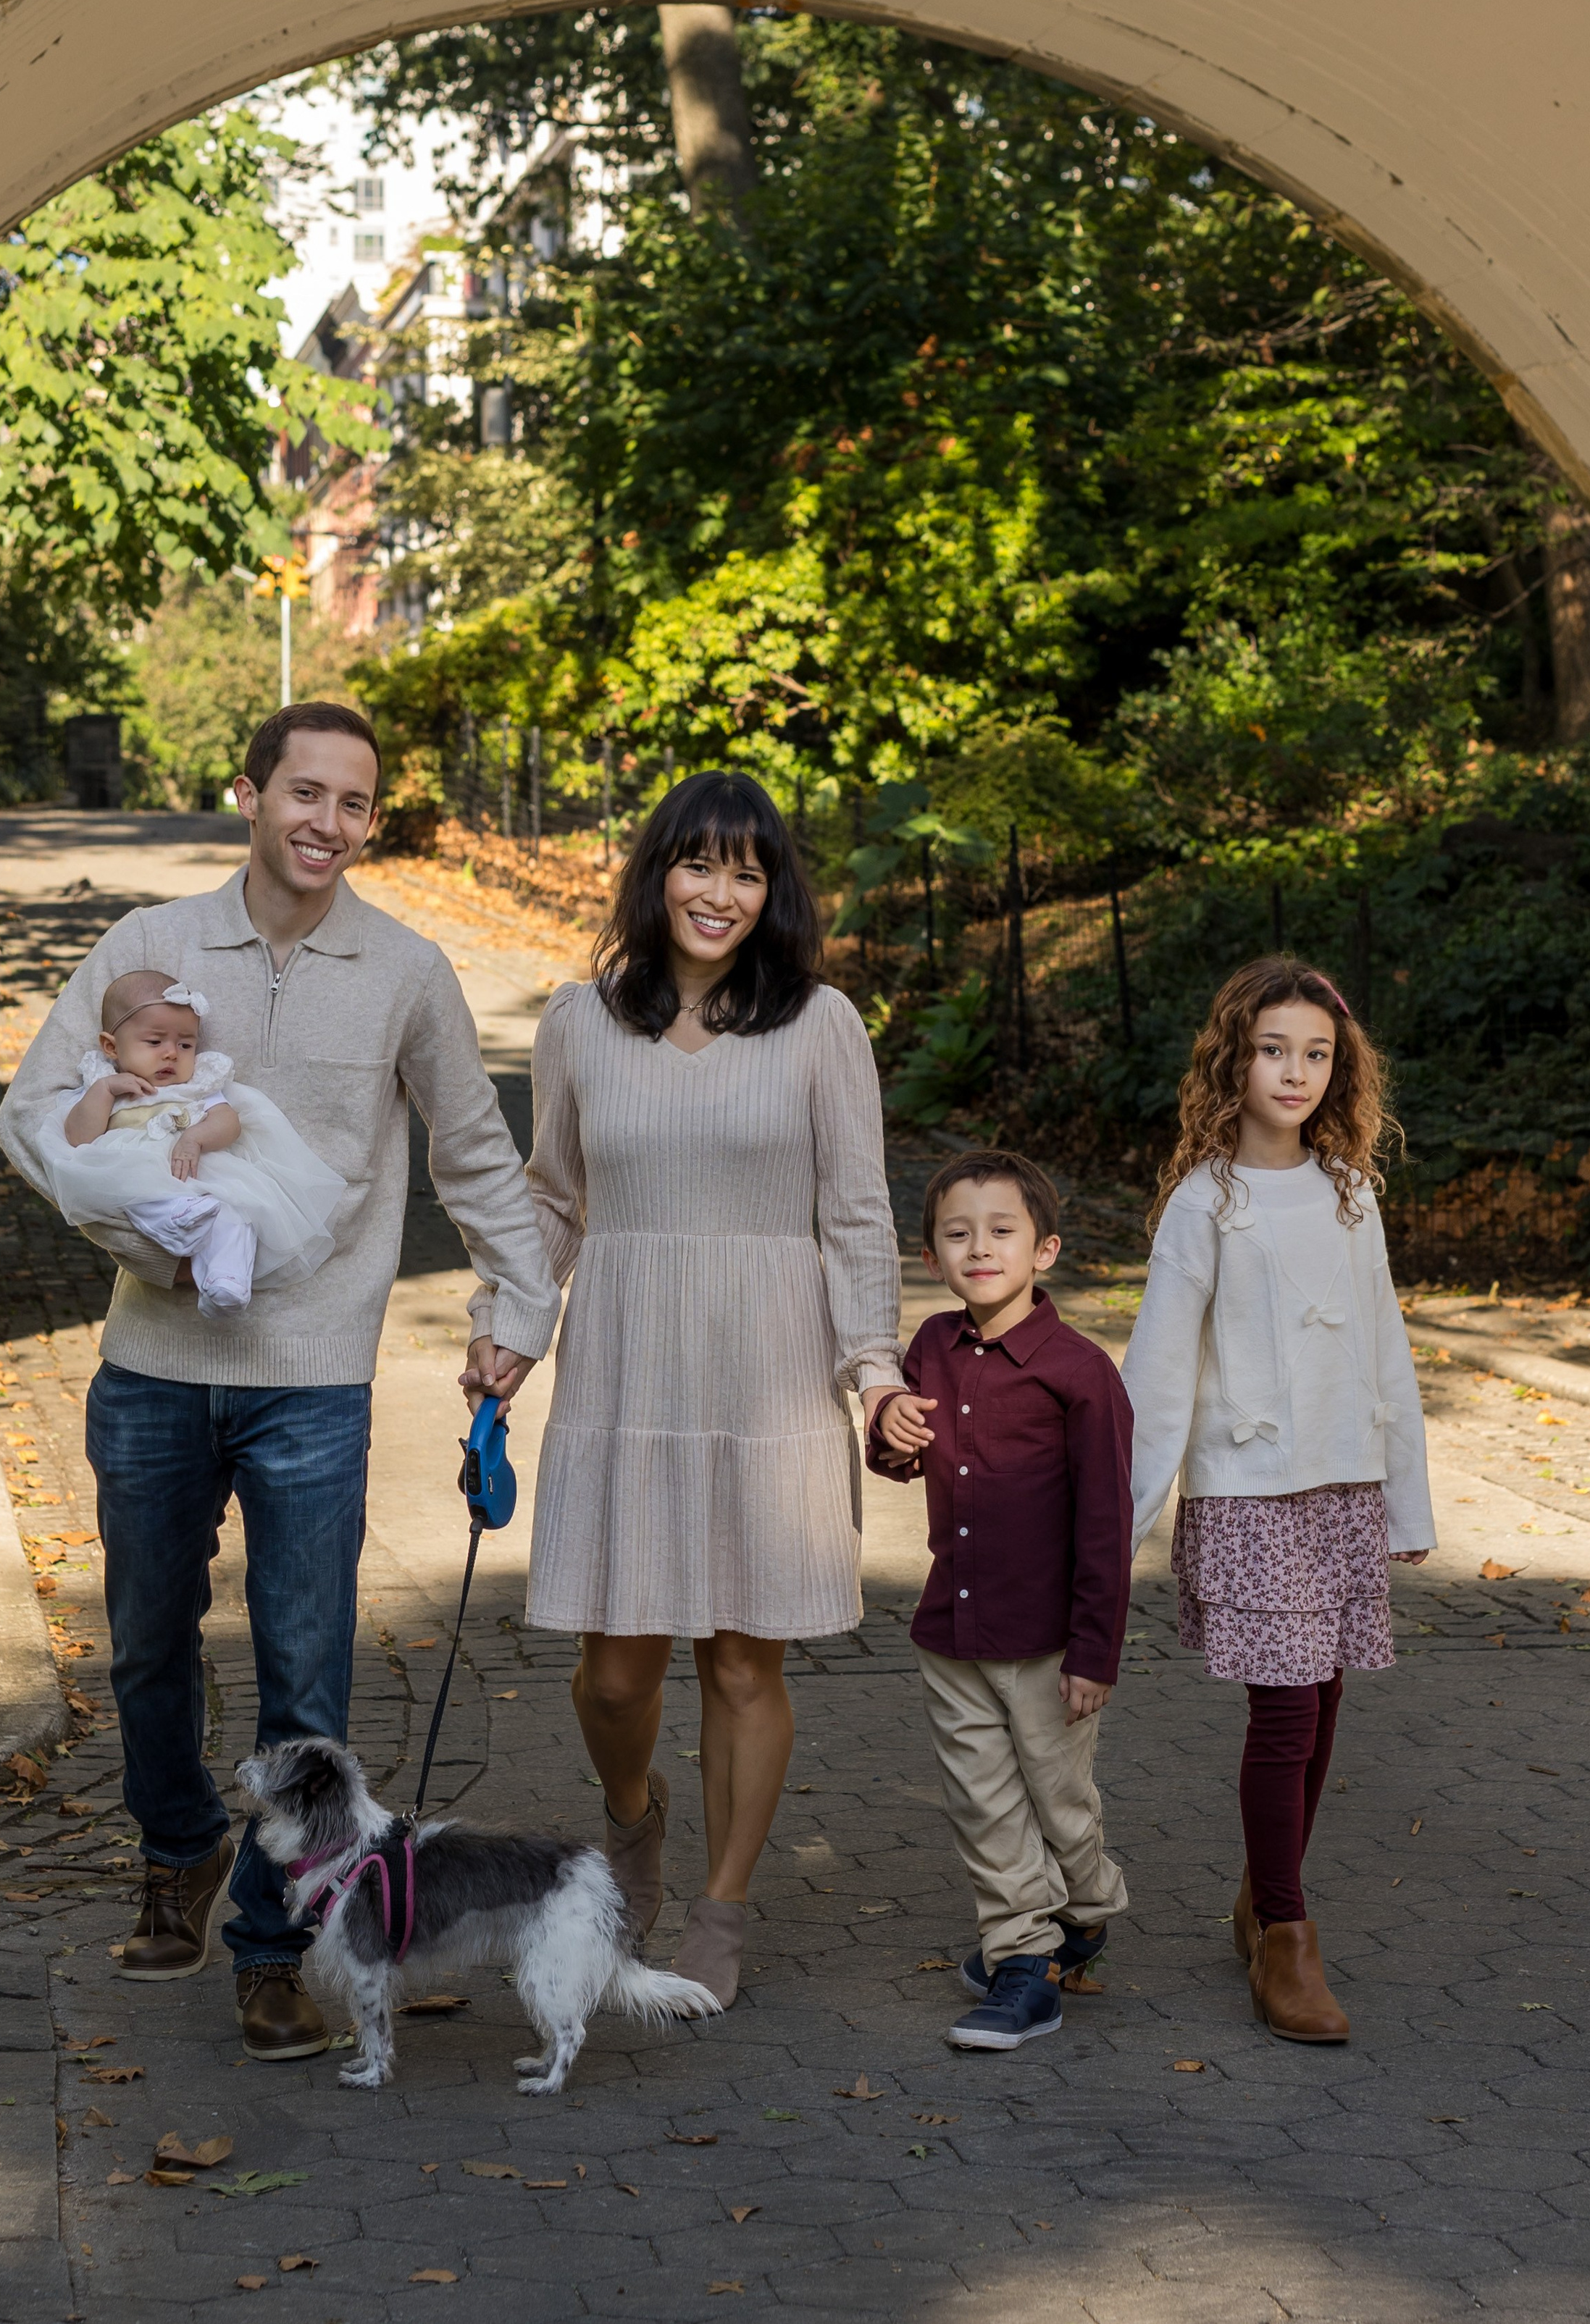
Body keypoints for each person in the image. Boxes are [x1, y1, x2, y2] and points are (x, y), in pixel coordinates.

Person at [0, 702, 559, 2060]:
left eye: (354, 804)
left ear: (373, 822)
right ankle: (181, 1841)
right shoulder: (151, 949)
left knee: (305, 1676)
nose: (325, 822)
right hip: (152, 1360)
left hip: (314, 1375)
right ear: (248, 793)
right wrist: (150, 1241)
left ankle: (269, 1941)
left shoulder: (408, 967)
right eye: (303, 793)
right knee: (143, 1644)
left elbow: (476, 1153)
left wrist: (518, 1302)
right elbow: (30, 1112)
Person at [465, 770, 901, 2008]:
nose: (722, 892)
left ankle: (722, 1902)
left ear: (776, 893)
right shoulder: (577, 1020)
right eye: (700, 864)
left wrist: (874, 1372)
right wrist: (510, 1331)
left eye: (749, 871)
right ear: (657, 873)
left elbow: (857, 1212)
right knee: (615, 1671)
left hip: (770, 1370)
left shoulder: (822, 1024)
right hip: (627, 1360)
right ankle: (633, 1816)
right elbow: (551, 1199)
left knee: (744, 1668)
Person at [1120, 955, 1434, 2044]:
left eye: (1316, 1054)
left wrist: (1407, 1502)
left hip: (1342, 1485)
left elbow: (1388, 1352)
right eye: (1273, 1051)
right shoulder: (1206, 1204)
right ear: (1233, 1060)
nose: (1295, 1073)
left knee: (1328, 1705)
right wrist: (1115, 1529)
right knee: (1286, 1709)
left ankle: (1263, 1889)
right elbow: (1158, 1370)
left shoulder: (1353, 1194)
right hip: (1252, 1493)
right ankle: (1288, 1937)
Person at [868, 1150, 1134, 2052]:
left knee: (1058, 1800)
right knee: (983, 1802)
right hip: (953, 1629)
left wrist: (1096, 1653)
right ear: (934, 1256)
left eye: (1001, 1230)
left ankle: (1086, 1908)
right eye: (956, 1233)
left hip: (1049, 1642)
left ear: (1045, 1250)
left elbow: (1105, 1523)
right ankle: (1025, 1961)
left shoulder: (1080, 1372)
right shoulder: (929, 1348)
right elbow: (903, 1456)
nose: (978, 1247)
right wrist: (889, 1431)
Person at [42, 969, 346, 1319]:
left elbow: (228, 1122)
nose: (171, 1054)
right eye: (155, 1043)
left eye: (185, 1044)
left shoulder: (199, 1084)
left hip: (202, 1172)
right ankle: (176, 1223)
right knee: (138, 1188)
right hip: (134, 1167)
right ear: (111, 1046)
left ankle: (226, 1280)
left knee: (238, 1209)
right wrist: (105, 1092)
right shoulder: (104, 1084)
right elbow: (80, 1140)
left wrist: (196, 1137)